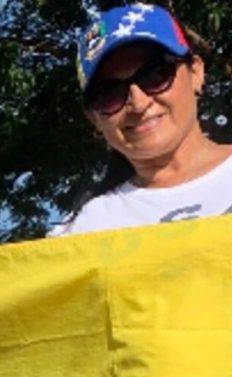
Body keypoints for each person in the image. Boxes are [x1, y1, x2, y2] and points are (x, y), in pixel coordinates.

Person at [54, 2, 232, 237]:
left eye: (156, 75)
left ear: (196, 73)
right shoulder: (83, 231)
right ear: (93, 118)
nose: (138, 104)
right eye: (109, 93)